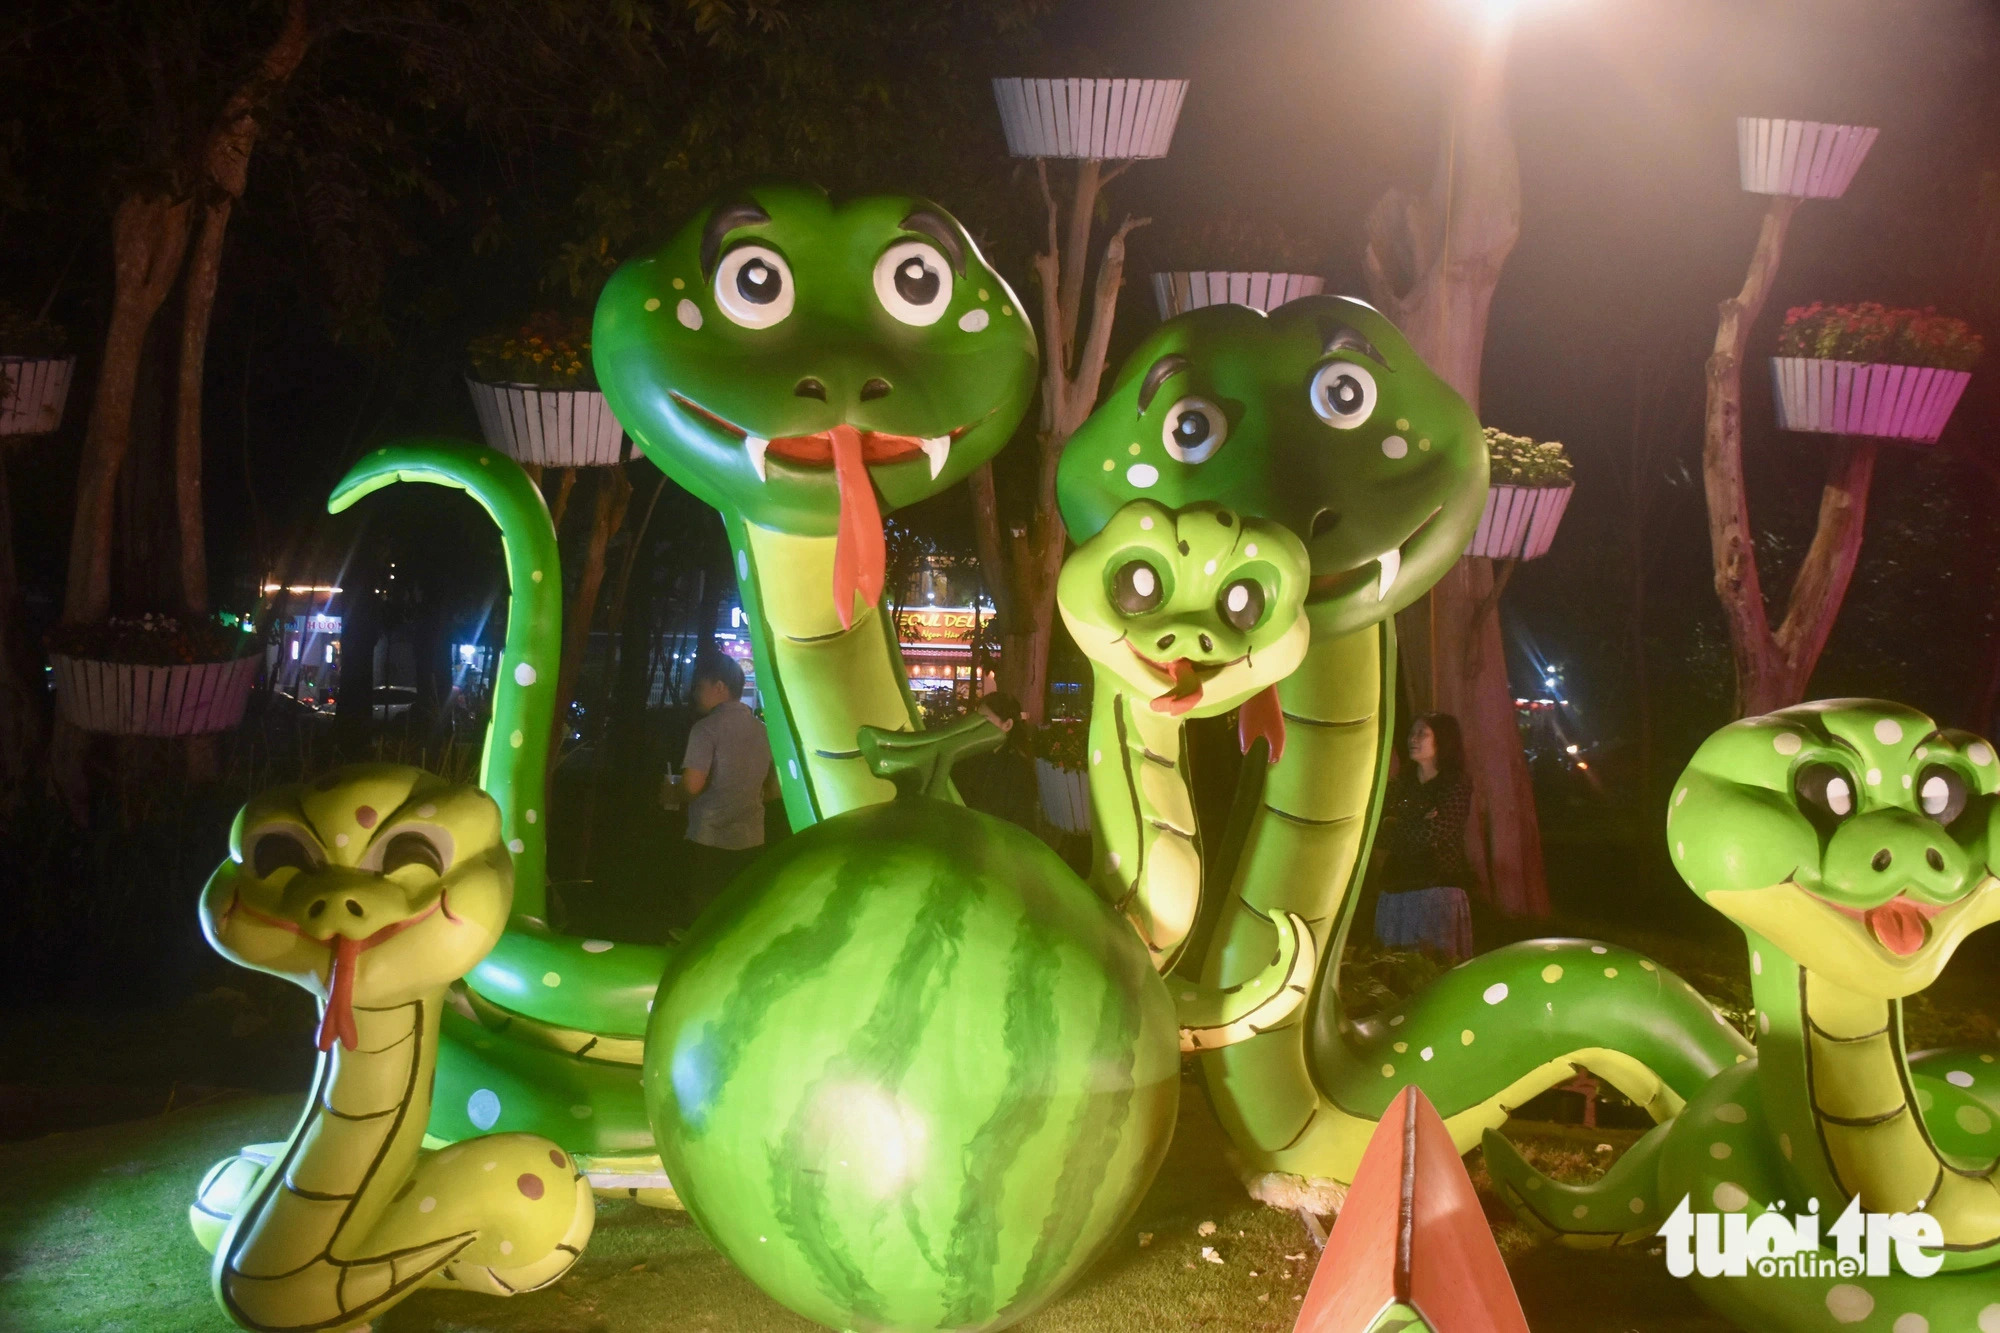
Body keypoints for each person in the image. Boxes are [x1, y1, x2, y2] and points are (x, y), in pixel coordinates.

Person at [661, 651, 777, 923]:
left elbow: (691, 786)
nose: (695, 694)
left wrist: (671, 792)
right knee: (738, 917)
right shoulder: (762, 730)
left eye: (700, 687)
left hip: (710, 839)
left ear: (720, 687)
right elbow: (775, 789)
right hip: (752, 840)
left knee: (704, 918)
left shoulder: (705, 729)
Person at [1372, 712, 1477, 961]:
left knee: (1434, 967)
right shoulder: (1400, 784)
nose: (1413, 739)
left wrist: (1395, 823)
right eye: (1412, 732)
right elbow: (1376, 833)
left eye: (1423, 733)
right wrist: (1414, 822)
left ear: (1443, 740)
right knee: (1392, 966)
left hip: (1437, 889)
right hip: (1397, 886)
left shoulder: (1455, 784)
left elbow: (1432, 832)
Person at [951, 690, 1040, 831]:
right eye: (977, 719)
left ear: (1007, 725)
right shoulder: (968, 756)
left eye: (985, 720)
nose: (977, 726)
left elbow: (1023, 822)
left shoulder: (1019, 770)